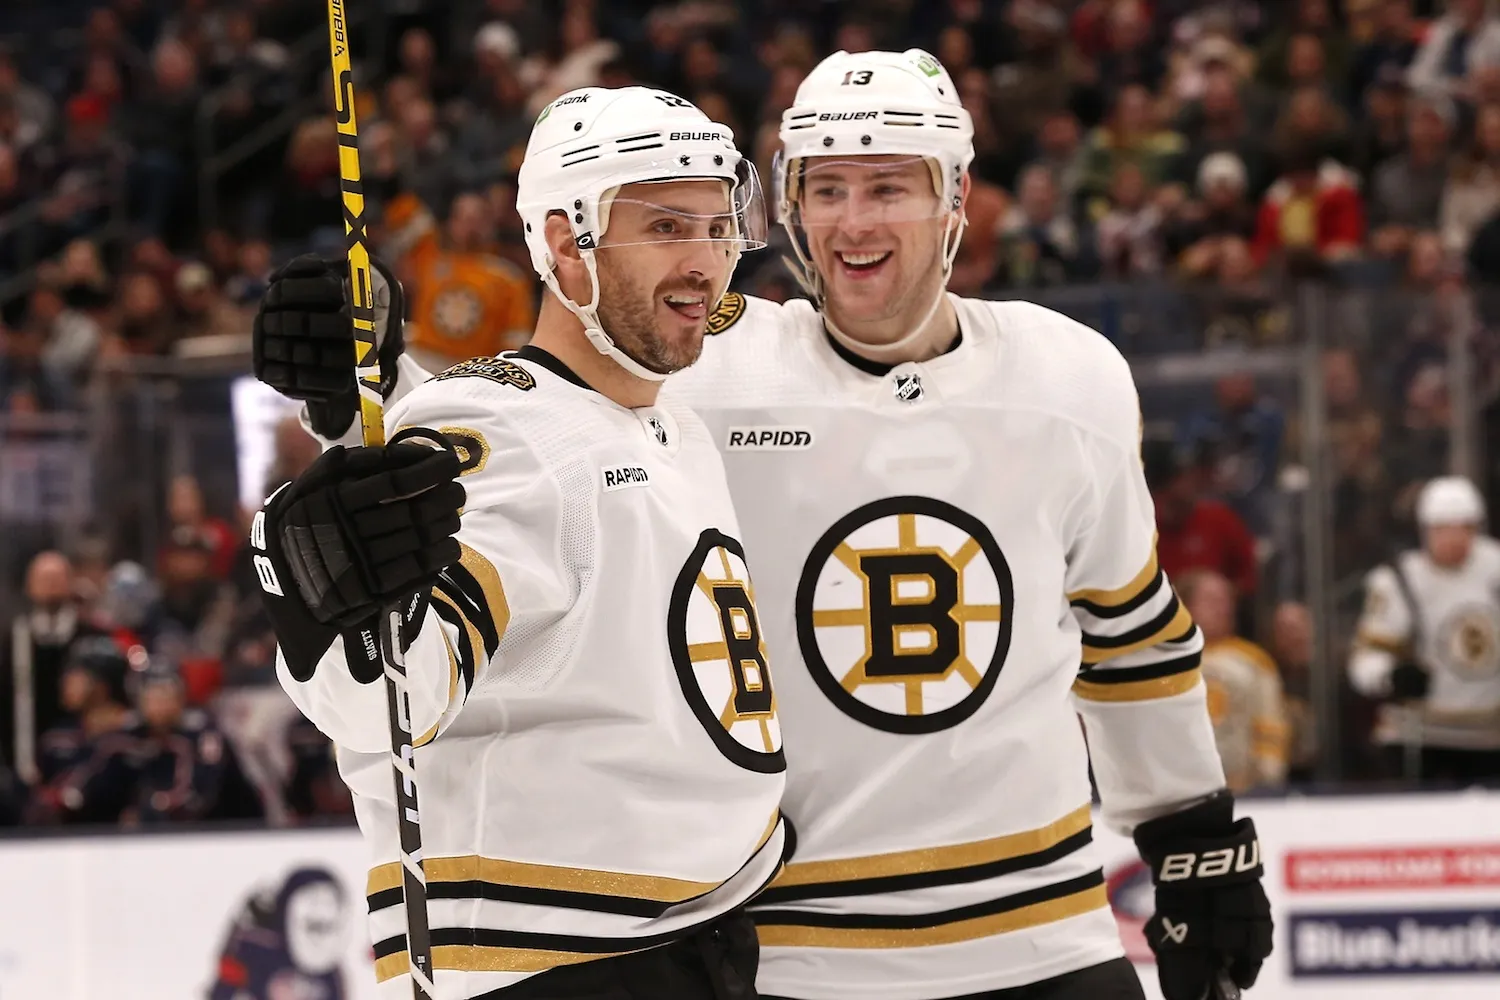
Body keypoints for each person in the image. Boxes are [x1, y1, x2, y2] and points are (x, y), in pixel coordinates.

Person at [665, 50, 1272, 1000]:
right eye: (826, 188)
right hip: (796, 960)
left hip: (1049, 942)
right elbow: (527, 421)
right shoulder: (706, 371)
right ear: (790, 207)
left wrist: (1192, 838)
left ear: (954, 200)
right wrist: (372, 378)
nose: (853, 222)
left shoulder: (1069, 377)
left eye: (887, 187)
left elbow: (1129, 633)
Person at [249, 87, 784, 999]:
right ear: (566, 245)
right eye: (664, 227)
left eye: (717, 225)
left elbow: (541, 438)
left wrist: (364, 391)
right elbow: (387, 692)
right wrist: (320, 598)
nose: (706, 262)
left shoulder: (656, 416)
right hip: (565, 964)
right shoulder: (498, 435)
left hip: (686, 943)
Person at [1348, 475, 1500, 785]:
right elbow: (1365, 657)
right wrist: (1390, 676)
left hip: (1490, 735)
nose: (1455, 538)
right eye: (1443, 529)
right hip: (1419, 735)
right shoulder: (1398, 580)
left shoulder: (1496, 568)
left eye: (1465, 528)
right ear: (1424, 531)